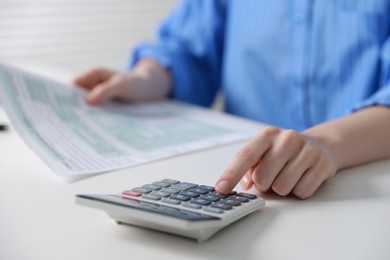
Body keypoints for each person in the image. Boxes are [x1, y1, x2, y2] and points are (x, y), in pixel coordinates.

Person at [73, 1, 390, 199]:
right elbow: (189, 46)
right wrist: (146, 77)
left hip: (359, 190)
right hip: (244, 186)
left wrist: (327, 144)